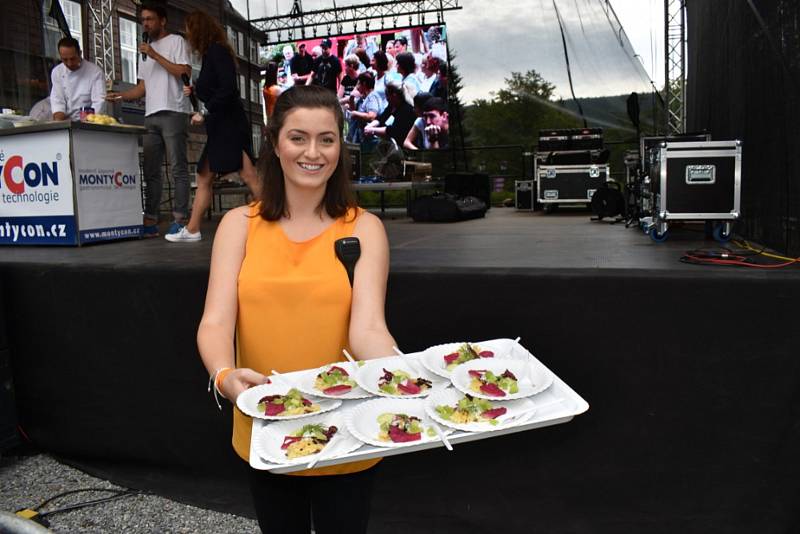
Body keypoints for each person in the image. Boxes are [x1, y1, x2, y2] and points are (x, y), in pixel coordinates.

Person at [197, 85, 396, 534]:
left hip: (348, 430)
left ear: (340, 146)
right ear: (275, 142)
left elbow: (368, 329)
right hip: (267, 425)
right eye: (298, 137)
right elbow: (214, 323)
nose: (313, 152)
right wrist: (226, 378)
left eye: (326, 139)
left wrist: (401, 375)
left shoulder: (365, 228)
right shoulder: (238, 226)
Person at [165, 11, 259, 243]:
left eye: (189, 30)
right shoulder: (212, 54)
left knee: (248, 175)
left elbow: (228, 89)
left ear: (198, 31)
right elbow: (219, 87)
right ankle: (193, 228)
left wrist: (205, 113)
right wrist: (197, 91)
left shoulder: (217, 52)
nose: (187, 36)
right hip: (223, 125)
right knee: (205, 175)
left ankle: (276, 221)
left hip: (229, 124)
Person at [106, 3, 192, 238]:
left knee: (178, 169)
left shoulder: (176, 42)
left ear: (162, 20)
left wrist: (155, 55)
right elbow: (143, 88)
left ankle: (180, 219)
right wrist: (121, 95)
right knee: (151, 170)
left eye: (150, 19)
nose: (145, 24)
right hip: (151, 115)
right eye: (143, 20)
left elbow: (184, 71)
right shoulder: (144, 52)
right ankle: (151, 219)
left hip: (174, 110)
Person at [49, 37, 106, 121]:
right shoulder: (57, 72)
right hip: (67, 122)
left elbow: (99, 103)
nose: (69, 63)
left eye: (73, 59)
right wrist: (58, 121)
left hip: (89, 122)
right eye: (65, 59)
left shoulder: (95, 72)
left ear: (80, 53)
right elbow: (57, 101)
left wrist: (86, 121)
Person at [364, 80, 416, 149]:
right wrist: (369, 126)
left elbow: (393, 130)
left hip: (402, 146)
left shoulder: (406, 109)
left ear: (394, 95)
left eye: (387, 96)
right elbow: (381, 118)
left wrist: (373, 130)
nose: (387, 99)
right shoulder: (392, 106)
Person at [346, 72, 381, 144]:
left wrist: (356, 113)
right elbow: (353, 110)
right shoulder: (363, 97)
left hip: (369, 139)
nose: (357, 87)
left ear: (364, 84)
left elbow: (372, 116)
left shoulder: (372, 97)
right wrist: (351, 98)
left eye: (358, 84)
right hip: (359, 136)